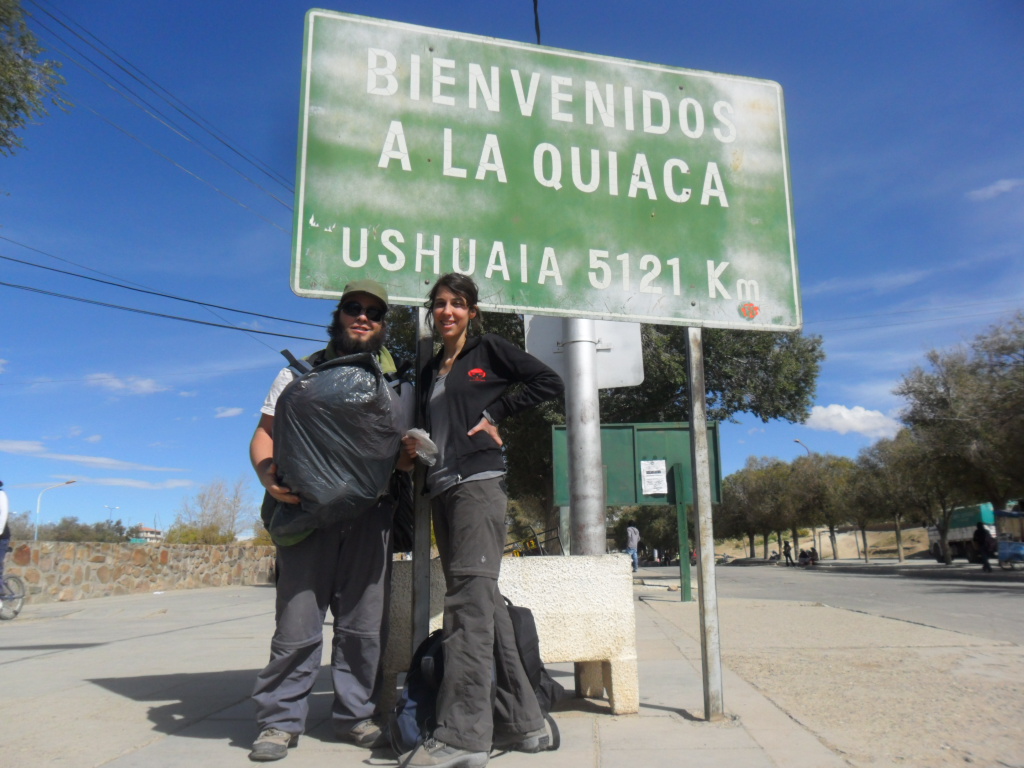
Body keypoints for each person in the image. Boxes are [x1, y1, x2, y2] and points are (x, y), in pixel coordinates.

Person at [401, 273, 564, 768]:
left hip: (478, 485)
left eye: (458, 303)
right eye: (439, 303)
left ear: (472, 311)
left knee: (467, 608)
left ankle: (463, 737)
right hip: (442, 489)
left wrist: (496, 412)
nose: (447, 311)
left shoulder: (489, 349)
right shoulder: (430, 371)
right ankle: (525, 721)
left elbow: (549, 382)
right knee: (483, 603)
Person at [248, 279, 412, 762]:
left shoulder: (397, 383)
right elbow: (264, 433)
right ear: (338, 315)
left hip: (371, 518)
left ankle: (356, 715)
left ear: (383, 325)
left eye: (374, 313)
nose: (363, 317)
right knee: (297, 622)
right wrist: (266, 476)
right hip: (307, 515)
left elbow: (399, 452)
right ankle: (279, 721)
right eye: (353, 308)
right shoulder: (297, 374)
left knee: (363, 625)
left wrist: (407, 458)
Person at [0, 481, 10, 586]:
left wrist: (0, 531)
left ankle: (0, 592)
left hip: (2, 537)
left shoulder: (1, 495)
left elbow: (4, 513)